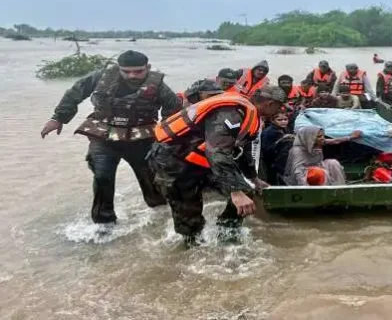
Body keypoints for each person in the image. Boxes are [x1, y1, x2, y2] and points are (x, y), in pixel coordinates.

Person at [40, 50, 181, 224]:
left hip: (141, 139)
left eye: (138, 71)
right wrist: (58, 118)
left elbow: (173, 109)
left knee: (152, 183)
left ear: (148, 68)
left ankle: (160, 217)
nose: (132, 75)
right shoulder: (102, 77)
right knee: (102, 176)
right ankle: (103, 223)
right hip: (104, 137)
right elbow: (75, 92)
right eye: (126, 71)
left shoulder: (157, 84)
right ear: (119, 68)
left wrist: (167, 139)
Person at [148, 86, 290, 246]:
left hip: (203, 161)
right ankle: (191, 249)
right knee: (190, 220)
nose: (280, 111)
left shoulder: (248, 114)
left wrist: (253, 178)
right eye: (279, 107)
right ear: (270, 104)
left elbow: (240, 149)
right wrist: (234, 191)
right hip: (173, 163)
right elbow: (218, 152)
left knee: (246, 192)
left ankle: (227, 233)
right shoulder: (231, 113)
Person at [283, 126, 362, 186]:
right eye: (319, 136)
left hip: (317, 168)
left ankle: (339, 187)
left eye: (323, 136)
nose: (322, 138)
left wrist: (351, 137)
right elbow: (298, 172)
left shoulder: (316, 143)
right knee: (319, 172)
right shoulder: (298, 150)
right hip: (304, 175)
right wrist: (304, 189)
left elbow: (335, 141)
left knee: (333, 163)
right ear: (311, 138)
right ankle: (324, 191)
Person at [261, 112, 294, 184]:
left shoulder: (285, 129)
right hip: (272, 164)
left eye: (285, 119)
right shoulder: (269, 132)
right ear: (273, 121)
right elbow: (266, 150)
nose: (283, 122)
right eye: (280, 120)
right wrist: (280, 140)